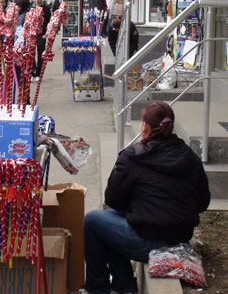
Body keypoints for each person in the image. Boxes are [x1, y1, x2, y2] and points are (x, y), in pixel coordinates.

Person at [83, 101, 210, 294]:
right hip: (181, 237)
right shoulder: (190, 157)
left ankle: (97, 287)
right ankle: (123, 286)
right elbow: (203, 203)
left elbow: (113, 200)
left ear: (145, 126)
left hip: (150, 242)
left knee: (93, 221)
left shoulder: (134, 157)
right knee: (112, 223)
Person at [32, 0, 51, 82]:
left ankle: (39, 73)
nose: (38, 0)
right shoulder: (31, 8)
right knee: (31, 54)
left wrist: (46, 32)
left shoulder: (46, 9)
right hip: (32, 34)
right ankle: (33, 71)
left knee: (40, 54)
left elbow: (49, 21)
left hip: (41, 35)